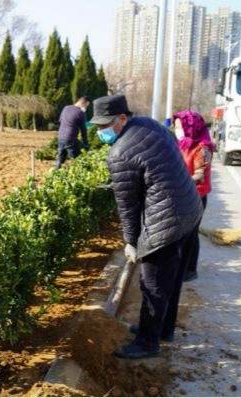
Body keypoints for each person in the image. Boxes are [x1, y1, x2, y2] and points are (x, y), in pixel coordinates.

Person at [91, 95, 203, 359]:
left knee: (152, 284)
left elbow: (128, 207)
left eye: (103, 125)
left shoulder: (119, 153)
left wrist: (131, 242)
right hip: (190, 209)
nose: (99, 132)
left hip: (166, 223)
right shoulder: (150, 124)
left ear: (122, 118)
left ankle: (147, 342)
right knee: (171, 278)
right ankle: (163, 329)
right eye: (95, 126)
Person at [172, 110, 214, 282]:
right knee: (182, 233)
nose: (177, 130)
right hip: (183, 195)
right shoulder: (183, 144)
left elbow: (199, 175)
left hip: (195, 197)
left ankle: (189, 270)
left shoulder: (202, 148)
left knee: (190, 234)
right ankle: (181, 267)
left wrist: (177, 181)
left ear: (191, 127)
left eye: (180, 127)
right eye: (176, 127)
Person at [55, 96, 90, 169]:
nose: (86, 108)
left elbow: (60, 121)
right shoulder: (81, 113)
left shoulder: (66, 108)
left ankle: (55, 172)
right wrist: (85, 143)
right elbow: (83, 130)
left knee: (60, 157)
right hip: (71, 138)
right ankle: (72, 175)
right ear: (83, 103)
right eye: (86, 105)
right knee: (73, 159)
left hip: (60, 137)